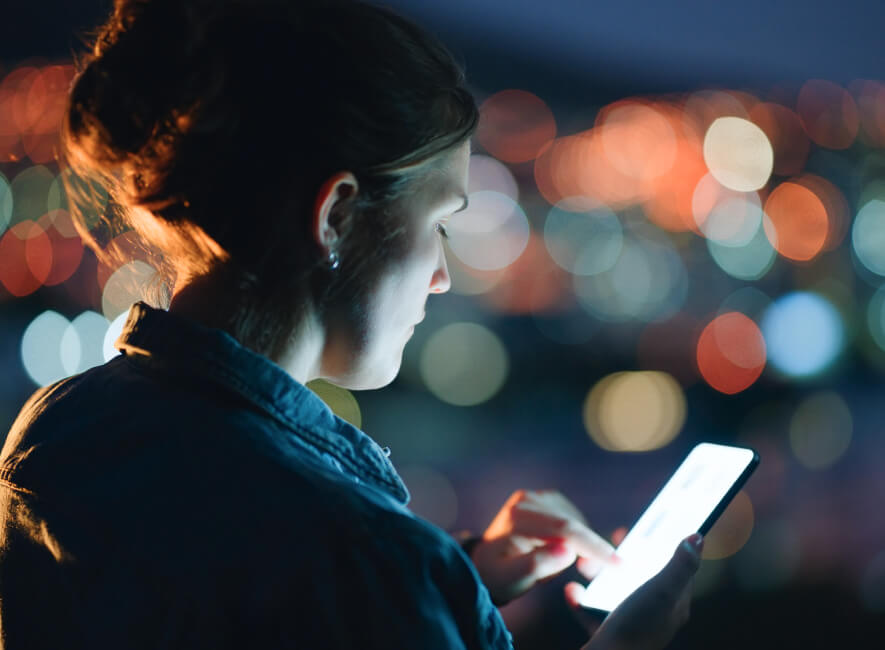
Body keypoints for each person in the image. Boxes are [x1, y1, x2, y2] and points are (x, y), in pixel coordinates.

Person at [0, 0, 703, 648]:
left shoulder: (56, 431)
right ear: (336, 214)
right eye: (440, 225)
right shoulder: (365, 560)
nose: (442, 276)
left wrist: (456, 582)